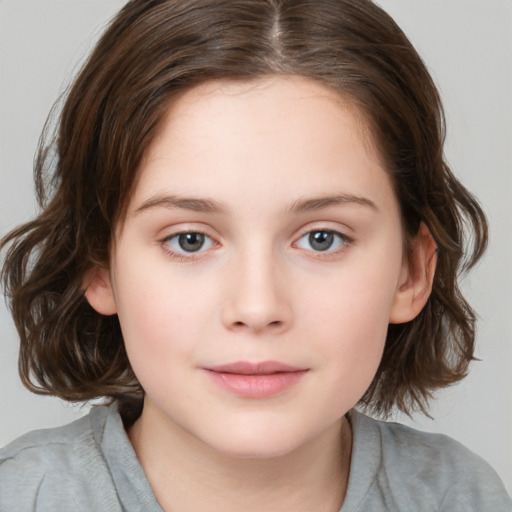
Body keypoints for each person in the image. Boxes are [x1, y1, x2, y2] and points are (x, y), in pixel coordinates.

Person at [0, 0, 510, 510]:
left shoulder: (461, 495)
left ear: (411, 272)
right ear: (99, 264)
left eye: (322, 238)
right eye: (190, 239)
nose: (257, 307)